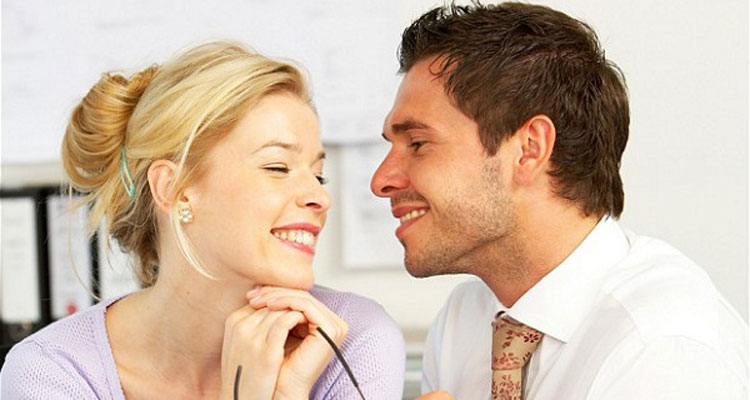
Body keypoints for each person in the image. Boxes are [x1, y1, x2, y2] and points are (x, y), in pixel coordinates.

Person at [371, 2, 747, 399]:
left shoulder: (662, 348)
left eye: (418, 143)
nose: (380, 181)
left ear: (529, 149)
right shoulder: (464, 320)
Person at [1, 41, 405, 399]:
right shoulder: (53, 372)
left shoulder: (353, 340)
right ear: (174, 189)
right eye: (277, 167)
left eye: (318, 175)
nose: (320, 197)